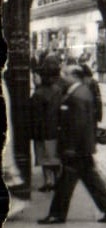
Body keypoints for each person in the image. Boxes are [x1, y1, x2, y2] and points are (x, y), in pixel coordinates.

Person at [39, 60, 106, 225]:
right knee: (89, 179)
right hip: (82, 148)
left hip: (76, 149)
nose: (62, 76)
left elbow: (78, 125)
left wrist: (70, 148)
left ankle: (57, 214)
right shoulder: (79, 92)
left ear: (74, 77)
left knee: (66, 182)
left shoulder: (78, 96)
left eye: (65, 74)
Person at [30, 53, 66, 193]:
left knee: (44, 158)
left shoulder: (38, 94)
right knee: (55, 157)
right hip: (55, 129)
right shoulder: (59, 88)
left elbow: (34, 115)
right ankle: (57, 180)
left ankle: (49, 182)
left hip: (42, 131)